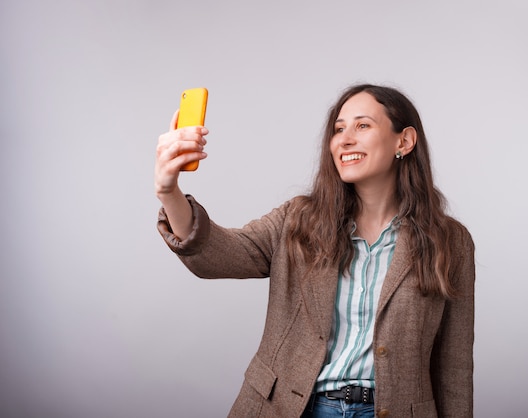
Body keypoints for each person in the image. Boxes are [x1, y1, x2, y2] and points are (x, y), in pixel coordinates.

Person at [155, 84, 475, 418]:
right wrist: (169, 192)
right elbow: (216, 255)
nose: (344, 139)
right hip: (295, 408)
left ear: (404, 141)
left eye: (362, 125)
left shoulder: (451, 242)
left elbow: (454, 368)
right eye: (338, 129)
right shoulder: (297, 220)